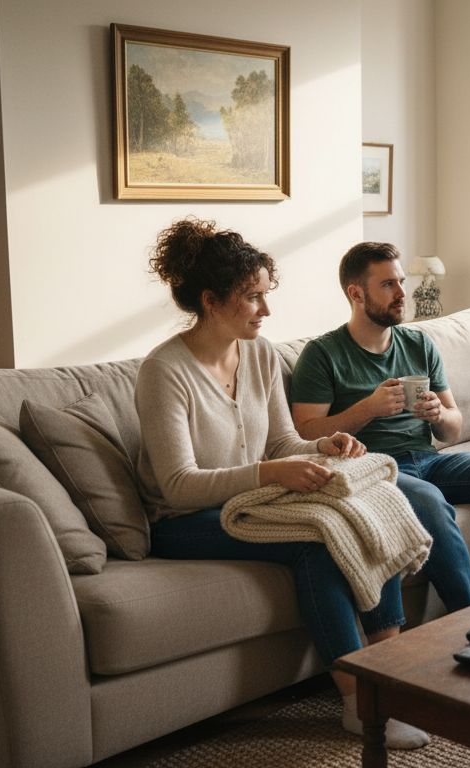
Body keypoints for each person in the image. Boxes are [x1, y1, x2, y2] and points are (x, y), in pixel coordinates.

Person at [135, 220, 429, 750]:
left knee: (370, 504)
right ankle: (360, 706)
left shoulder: (263, 354)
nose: (266, 311)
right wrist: (273, 474)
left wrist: (324, 446)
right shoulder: (165, 371)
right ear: (211, 300)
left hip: (253, 501)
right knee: (317, 541)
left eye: (266, 295)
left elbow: (280, 446)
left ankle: (389, 678)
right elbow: (178, 486)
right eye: (253, 298)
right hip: (184, 522)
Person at [289, 241, 470, 610]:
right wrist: (368, 409)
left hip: (428, 459)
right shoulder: (323, 354)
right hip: (373, 469)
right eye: (388, 285)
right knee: (430, 501)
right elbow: (304, 435)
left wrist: (439, 414)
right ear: (355, 293)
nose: (401, 294)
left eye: (401, 282)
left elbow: (454, 429)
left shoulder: (418, 343)